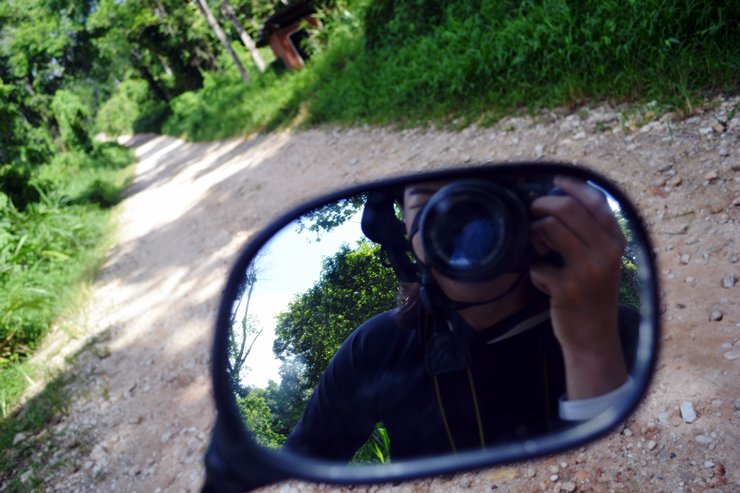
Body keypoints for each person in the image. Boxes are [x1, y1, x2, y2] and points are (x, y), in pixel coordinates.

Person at [283, 174, 639, 461]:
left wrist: (591, 347)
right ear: (404, 231)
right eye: (426, 202)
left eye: (486, 194)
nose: (458, 221)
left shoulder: (616, 333)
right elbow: (296, 473)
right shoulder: (377, 348)